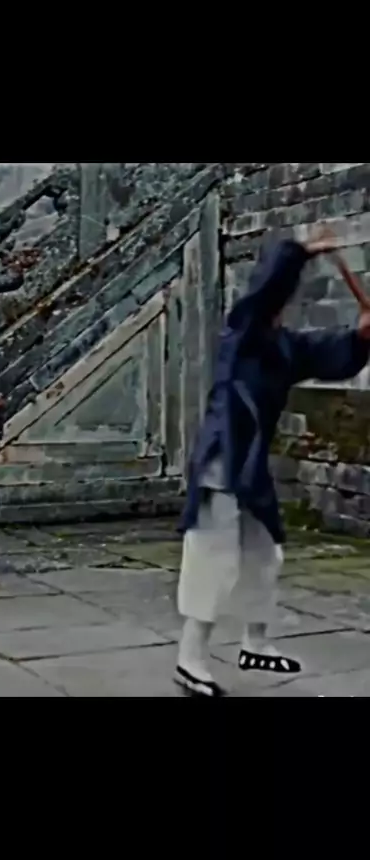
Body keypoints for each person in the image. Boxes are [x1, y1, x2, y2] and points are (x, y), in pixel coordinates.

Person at [176, 227, 370, 698]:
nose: (282, 304)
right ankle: (190, 658)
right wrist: (302, 253)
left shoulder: (285, 347)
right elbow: (264, 294)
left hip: (250, 466)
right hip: (223, 457)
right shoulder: (240, 331)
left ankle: (254, 643)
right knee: (213, 556)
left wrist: (362, 337)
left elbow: (331, 355)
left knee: (265, 555)